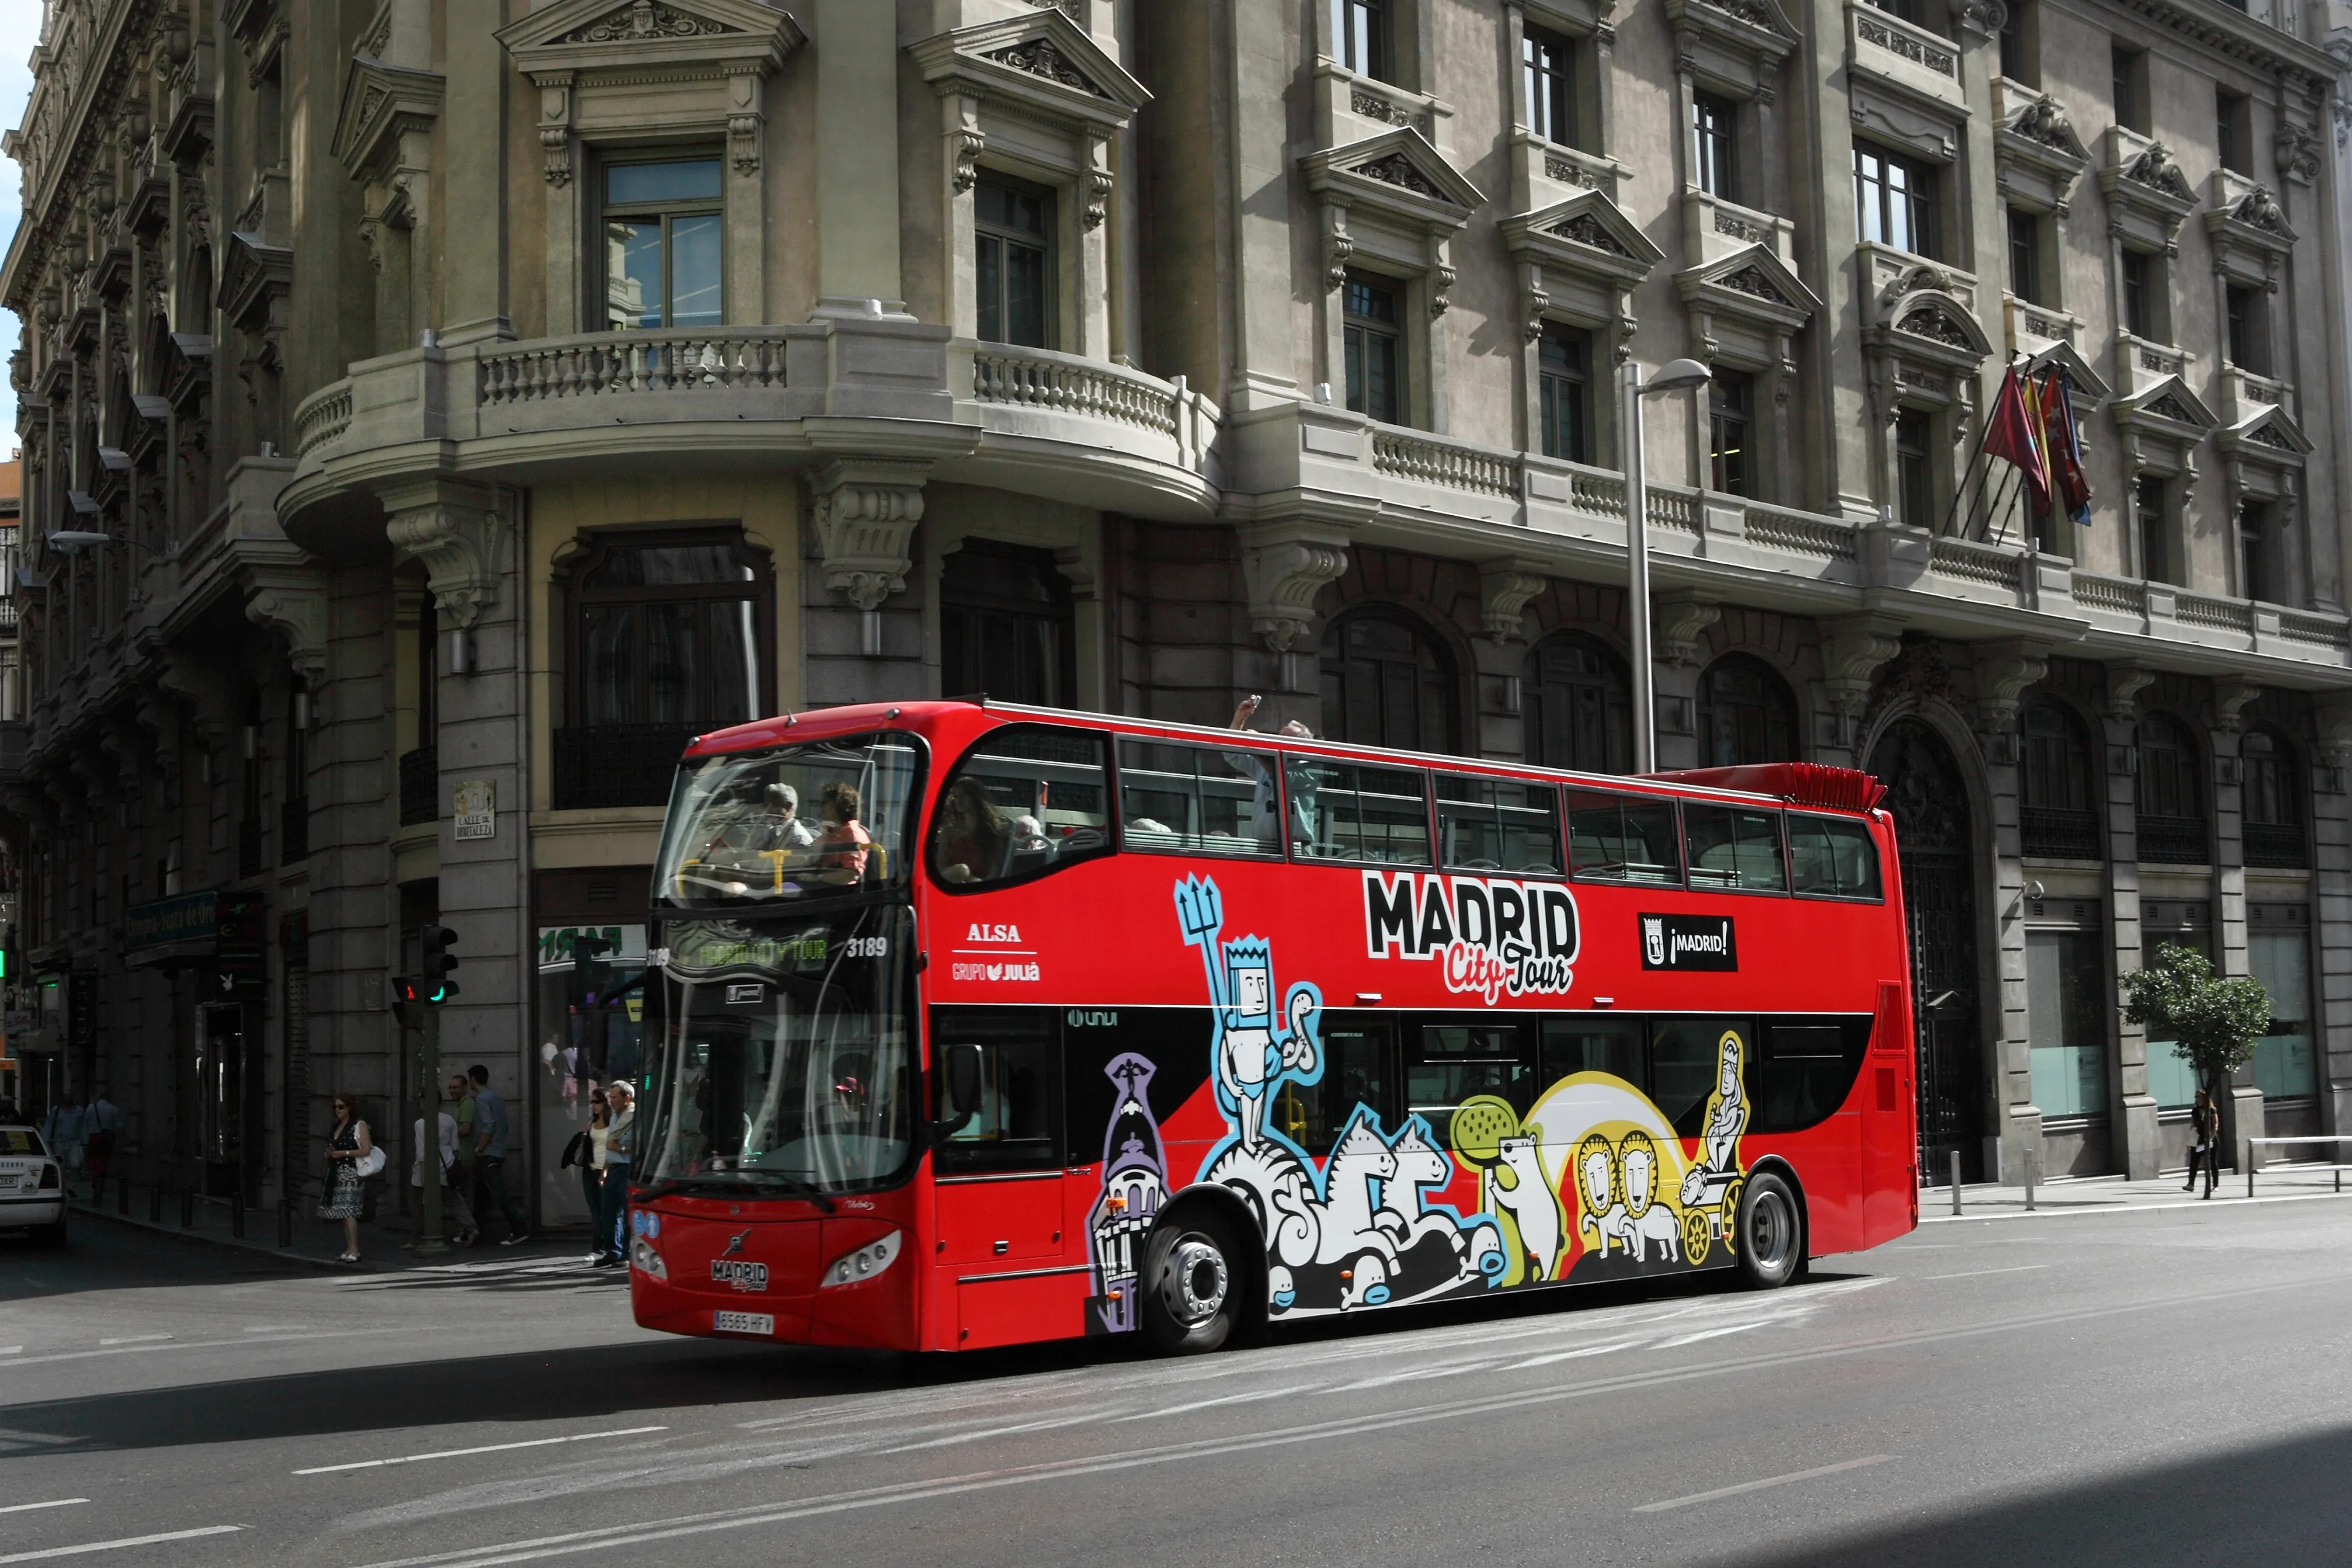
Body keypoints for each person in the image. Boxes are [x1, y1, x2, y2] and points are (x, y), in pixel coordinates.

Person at [468, 1064, 531, 1245]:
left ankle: (519, 1229)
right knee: (481, 1195)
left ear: (473, 1079)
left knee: (499, 1194)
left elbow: (488, 1126)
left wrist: (480, 1148)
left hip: (488, 1153)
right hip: (499, 1151)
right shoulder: (495, 1097)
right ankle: (474, 1230)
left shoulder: (481, 1099)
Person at [413, 1096, 475, 1245]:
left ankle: (418, 1238)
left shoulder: (421, 1123)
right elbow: (455, 1147)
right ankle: (471, 1228)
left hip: (429, 1166)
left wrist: (423, 1177)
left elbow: (422, 1152)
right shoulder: (449, 1120)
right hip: (447, 1164)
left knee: (421, 1204)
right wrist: (454, 1165)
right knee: (454, 1201)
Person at [320, 1097, 372, 1264]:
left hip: (352, 1172)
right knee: (343, 1212)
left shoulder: (359, 1125)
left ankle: (355, 1250)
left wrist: (344, 1153)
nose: (337, 1110)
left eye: (341, 1107)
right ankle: (349, 1248)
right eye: (335, 1107)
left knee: (349, 1210)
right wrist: (329, 1154)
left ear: (350, 1108)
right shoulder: (336, 1127)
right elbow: (328, 1150)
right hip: (336, 1172)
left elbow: (366, 1149)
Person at [932, 776, 1009, 884]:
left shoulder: (994, 831)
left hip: (982, 887)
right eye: (955, 796)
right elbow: (941, 866)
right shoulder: (949, 832)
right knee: (962, 870)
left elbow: (995, 870)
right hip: (951, 885)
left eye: (963, 795)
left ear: (975, 797)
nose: (958, 800)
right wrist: (969, 879)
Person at [565, 1087, 611, 1258]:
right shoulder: (592, 1121)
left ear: (606, 1103)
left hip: (606, 1170)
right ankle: (598, 1248)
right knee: (595, 1211)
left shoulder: (613, 1122)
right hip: (590, 1170)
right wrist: (582, 1134)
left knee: (606, 1211)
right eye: (592, 1102)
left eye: (597, 1102)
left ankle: (606, 1247)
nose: (593, 1105)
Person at [593, 1081, 635, 1267]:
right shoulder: (615, 1117)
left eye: (614, 1097)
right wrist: (604, 1171)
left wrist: (621, 1148)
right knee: (608, 1213)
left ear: (627, 1098)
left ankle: (626, 1254)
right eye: (610, 1097)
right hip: (613, 1169)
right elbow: (609, 1148)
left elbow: (643, 1147)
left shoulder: (636, 1117)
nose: (610, 1101)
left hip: (627, 1170)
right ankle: (613, 1251)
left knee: (627, 1214)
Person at [443, 1073, 480, 1246]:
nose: (452, 1090)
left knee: (465, 1197)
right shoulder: (463, 1105)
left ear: (465, 1088)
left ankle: (468, 1230)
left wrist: (447, 1133)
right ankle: (467, 1230)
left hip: (466, 1156)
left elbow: (465, 1129)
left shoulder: (467, 1105)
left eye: (455, 1087)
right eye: (450, 1087)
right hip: (464, 1156)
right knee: (464, 1196)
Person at [813, 781, 872, 886]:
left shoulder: (852, 834)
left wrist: (817, 878)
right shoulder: (835, 832)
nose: (821, 806)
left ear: (838, 806)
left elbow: (850, 875)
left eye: (826, 803)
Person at [84, 1087, 122, 1203]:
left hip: (94, 1136)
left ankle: (95, 1176)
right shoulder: (114, 1109)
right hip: (107, 1137)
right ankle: (102, 1177)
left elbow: (85, 1123)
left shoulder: (91, 1108)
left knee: (93, 1157)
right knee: (105, 1158)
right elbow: (118, 1125)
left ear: (99, 1097)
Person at [42, 1094, 86, 1197]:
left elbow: (83, 1127)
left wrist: (85, 1142)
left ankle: (71, 1186)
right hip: (59, 1141)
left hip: (74, 1141)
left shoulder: (79, 1111)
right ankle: (63, 1187)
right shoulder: (56, 1111)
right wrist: (47, 1140)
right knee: (61, 1165)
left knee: (75, 1164)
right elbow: (49, 1124)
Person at [2185, 1085, 2222, 1198]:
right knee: (2194, 1162)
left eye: (2199, 1097)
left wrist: (2210, 1139)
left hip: (2211, 1138)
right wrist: (2189, 1140)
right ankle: (2190, 1184)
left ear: (2205, 1098)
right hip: (2199, 1138)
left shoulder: (2211, 1110)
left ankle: (2215, 1185)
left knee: (2212, 1162)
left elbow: (2215, 1126)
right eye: (2196, 1097)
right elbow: (2193, 1125)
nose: (2197, 1099)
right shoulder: (2195, 1111)